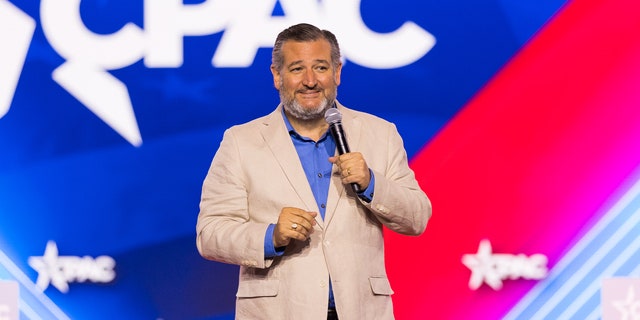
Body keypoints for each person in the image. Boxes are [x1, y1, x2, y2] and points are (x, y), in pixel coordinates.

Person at [196, 23, 432, 320]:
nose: (310, 81)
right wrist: (272, 236)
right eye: (296, 69)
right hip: (278, 312)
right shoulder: (241, 142)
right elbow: (211, 234)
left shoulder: (380, 134)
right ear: (277, 76)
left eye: (320, 67)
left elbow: (417, 217)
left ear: (337, 72)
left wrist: (371, 183)